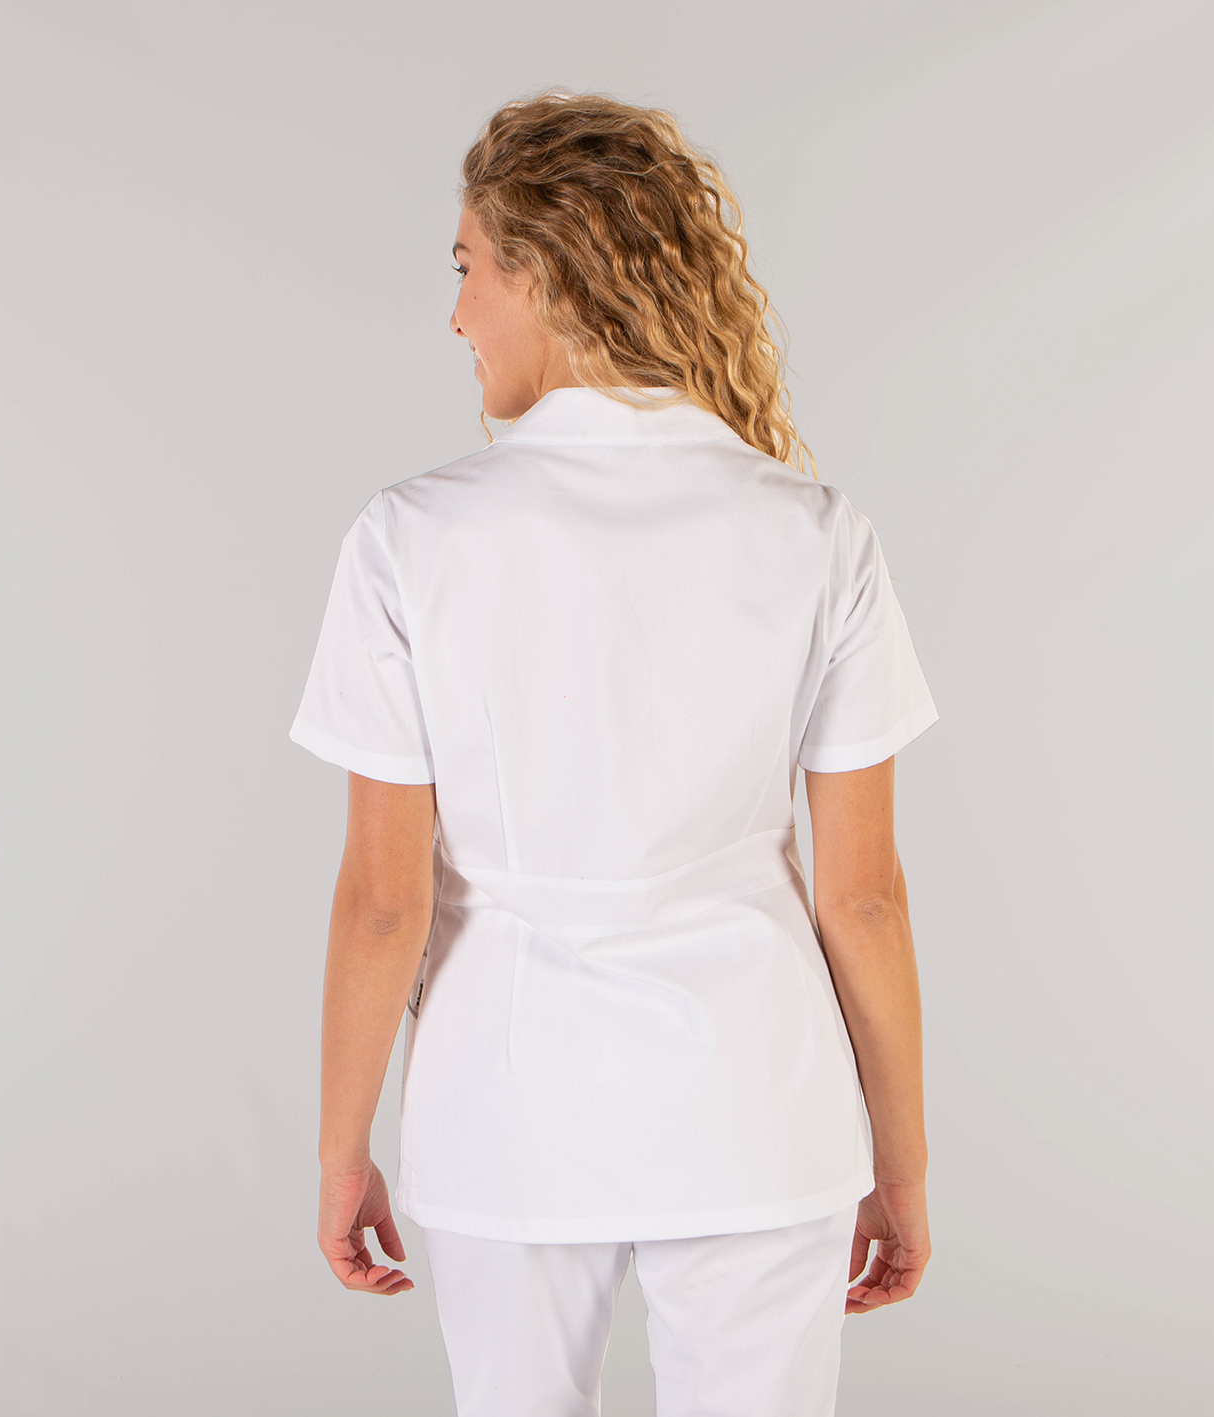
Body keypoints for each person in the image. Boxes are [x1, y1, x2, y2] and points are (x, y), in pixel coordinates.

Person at [289, 89, 939, 1417]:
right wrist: (901, 1164)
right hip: (758, 1111)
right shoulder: (817, 534)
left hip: (505, 1111)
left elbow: (384, 902)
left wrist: (341, 1150)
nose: (456, 314)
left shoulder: (412, 539)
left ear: (543, 274)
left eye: (467, 268)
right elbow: (862, 896)